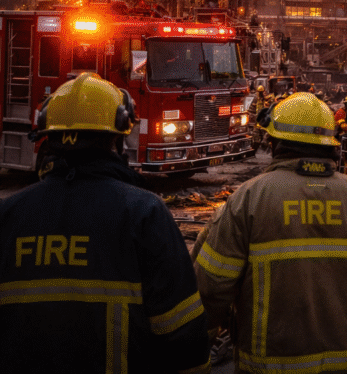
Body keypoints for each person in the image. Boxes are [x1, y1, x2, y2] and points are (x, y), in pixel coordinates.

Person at [0, 73, 209, 372]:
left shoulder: (8, 214)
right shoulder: (145, 213)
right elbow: (181, 329)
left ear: (49, 134)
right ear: (118, 139)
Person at [195, 92, 347, 373]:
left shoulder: (248, 199)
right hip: (346, 362)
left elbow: (211, 284)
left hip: (268, 364)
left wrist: (196, 345)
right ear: (330, 145)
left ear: (274, 142)